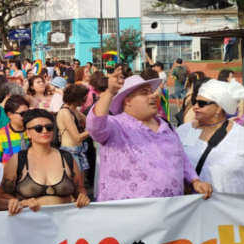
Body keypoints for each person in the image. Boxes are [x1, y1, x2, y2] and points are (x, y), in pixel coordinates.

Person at [87, 69, 213, 201]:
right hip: (126, 216)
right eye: (144, 93)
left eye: (151, 92)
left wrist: (194, 180)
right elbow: (95, 126)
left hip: (172, 213)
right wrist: (109, 93)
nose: (152, 96)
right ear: (128, 100)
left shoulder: (166, 125)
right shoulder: (115, 125)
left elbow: (181, 157)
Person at [177, 79, 244, 198]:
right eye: (194, 102)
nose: (195, 107)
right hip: (192, 208)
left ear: (218, 107)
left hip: (230, 208)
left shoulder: (243, 136)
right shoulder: (186, 131)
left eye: (202, 104)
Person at [0, 109, 90, 214]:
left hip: (65, 223)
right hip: (31, 224)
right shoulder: (18, 160)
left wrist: (82, 196)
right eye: (38, 128)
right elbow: (3, 195)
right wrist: (23, 202)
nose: (45, 131)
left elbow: (79, 188)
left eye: (49, 127)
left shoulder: (67, 158)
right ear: (28, 133)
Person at [56, 84, 91, 180]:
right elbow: (77, 137)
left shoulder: (74, 109)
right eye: (83, 100)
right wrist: (94, 130)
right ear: (76, 98)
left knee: (81, 184)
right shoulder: (65, 112)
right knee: (76, 185)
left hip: (79, 150)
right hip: (70, 152)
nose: (85, 102)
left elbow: (89, 121)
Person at [0, 96, 30, 164]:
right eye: (22, 114)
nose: (26, 116)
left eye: (28, 113)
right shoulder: (0, 136)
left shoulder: (34, 130)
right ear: (10, 115)